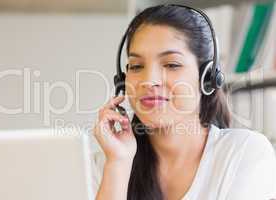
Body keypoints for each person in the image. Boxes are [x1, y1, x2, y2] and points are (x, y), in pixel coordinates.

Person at [92, 4, 276, 200]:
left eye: (172, 64)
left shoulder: (244, 153)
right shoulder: (106, 164)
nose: (149, 80)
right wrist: (119, 163)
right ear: (123, 79)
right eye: (136, 66)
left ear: (206, 77)